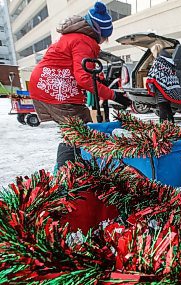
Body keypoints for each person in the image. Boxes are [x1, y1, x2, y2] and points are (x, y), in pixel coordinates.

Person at [29, 1, 131, 167]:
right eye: (105, 37)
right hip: (55, 88)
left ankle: (77, 168)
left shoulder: (76, 37)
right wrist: (114, 95)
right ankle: (67, 176)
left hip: (48, 84)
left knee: (80, 128)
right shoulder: (84, 41)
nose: (104, 41)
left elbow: (81, 70)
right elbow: (83, 77)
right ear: (98, 31)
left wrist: (99, 82)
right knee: (78, 132)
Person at [146, 44, 181, 123]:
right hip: (169, 86)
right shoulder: (169, 60)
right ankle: (171, 122)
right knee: (167, 106)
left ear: (155, 51)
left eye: (152, 52)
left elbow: (153, 74)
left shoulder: (158, 61)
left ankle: (162, 125)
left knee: (162, 106)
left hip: (161, 87)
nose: (152, 54)